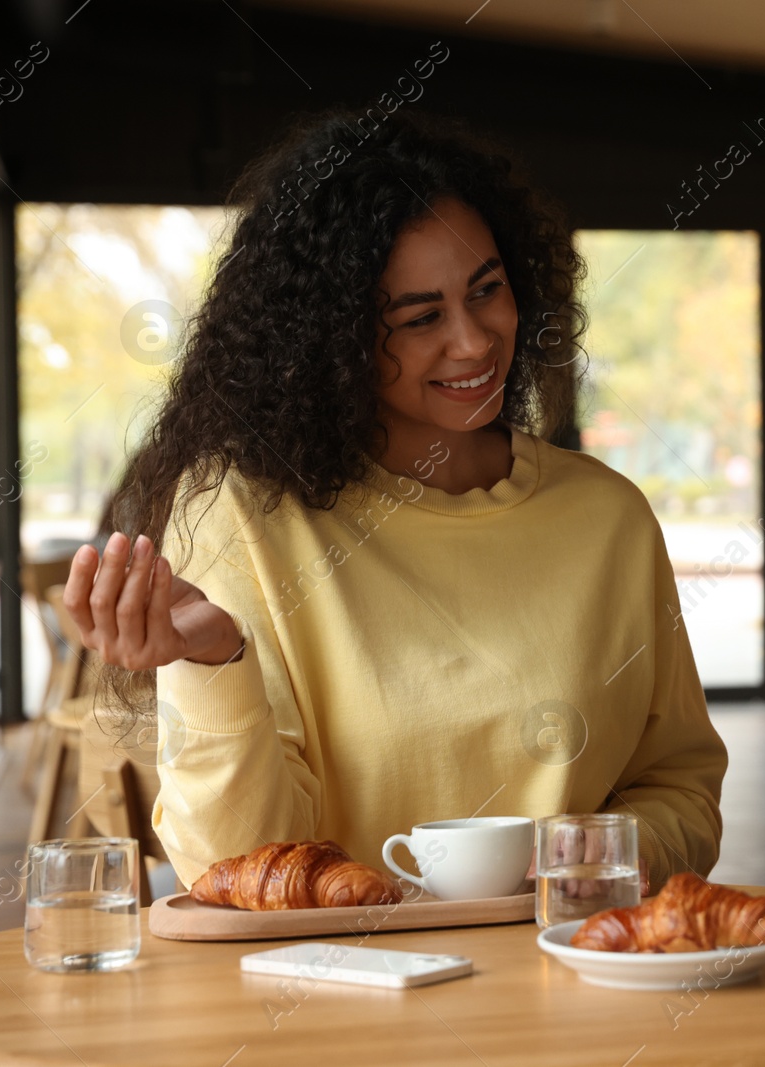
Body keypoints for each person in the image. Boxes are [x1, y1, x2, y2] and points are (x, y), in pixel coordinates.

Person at [63, 108, 726, 893]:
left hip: (572, 976)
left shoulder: (609, 517)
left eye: (488, 290)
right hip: (340, 992)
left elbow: (683, 786)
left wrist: (611, 852)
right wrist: (216, 663)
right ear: (332, 339)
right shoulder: (242, 515)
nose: (475, 340)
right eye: (420, 318)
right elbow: (234, 871)